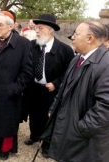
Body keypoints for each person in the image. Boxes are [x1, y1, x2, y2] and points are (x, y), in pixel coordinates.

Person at [40, 21, 109, 162]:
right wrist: (54, 108)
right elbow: (64, 88)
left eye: (76, 34)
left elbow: (105, 107)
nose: (72, 37)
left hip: (85, 140)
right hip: (69, 131)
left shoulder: (105, 64)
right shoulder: (77, 59)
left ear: (90, 39)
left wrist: (80, 129)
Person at [0, 11, 33, 160]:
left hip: (10, 94)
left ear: (10, 27)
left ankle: (5, 149)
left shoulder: (23, 44)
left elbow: (27, 72)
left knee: (6, 123)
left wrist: (14, 89)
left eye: (0, 25)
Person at [21, 14, 74, 158]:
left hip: (51, 91)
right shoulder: (32, 46)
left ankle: (47, 143)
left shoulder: (65, 50)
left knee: (48, 117)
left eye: (40, 28)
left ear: (50, 29)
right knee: (34, 114)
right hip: (33, 88)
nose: (36, 31)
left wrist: (56, 83)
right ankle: (34, 135)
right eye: (36, 27)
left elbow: (69, 72)